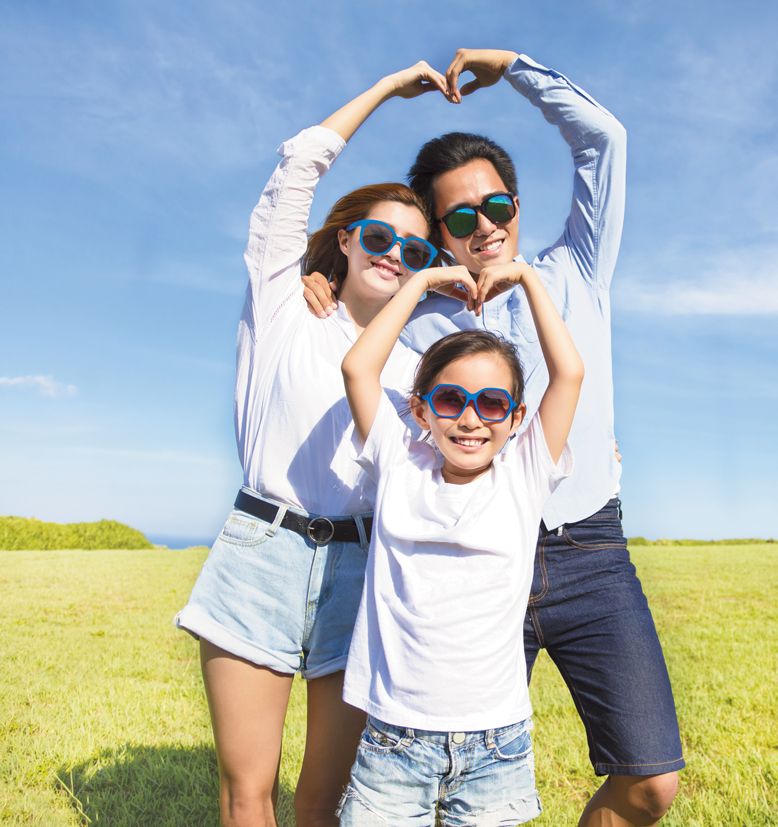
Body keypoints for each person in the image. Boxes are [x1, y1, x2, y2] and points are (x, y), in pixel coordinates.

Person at [304, 48, 683, 827]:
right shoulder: (414, 320)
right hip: (466, 562)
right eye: (463, 218)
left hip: (589, 552)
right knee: (450, 779)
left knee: (650, 782)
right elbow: (350, 360)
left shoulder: (576, 270)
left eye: (499, 206)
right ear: (441, 234)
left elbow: (603, 140)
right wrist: (318, 279)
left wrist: (512, 67)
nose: (488, 227)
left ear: (516, 204)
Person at [175, 61, 450, 827]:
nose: (393, 252)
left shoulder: (417, 371)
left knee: (324, 801)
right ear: (346, 238)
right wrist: (392, 88)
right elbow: (300, 165)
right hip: (260, 547)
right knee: (247, 792)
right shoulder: (282, 303)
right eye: (378, 236)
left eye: (416, 251)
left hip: (360, 571)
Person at [335, 245, 582, 825]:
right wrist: (420, 282)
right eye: (451, 399)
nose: (470, 419)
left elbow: (569, 372)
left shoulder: (524, 474)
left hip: (496, 745)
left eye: (492, 403)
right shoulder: (398, 463)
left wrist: (524, 277)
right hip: (394, 740)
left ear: (516, 419)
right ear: (422, 410)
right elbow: (357, 368)